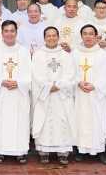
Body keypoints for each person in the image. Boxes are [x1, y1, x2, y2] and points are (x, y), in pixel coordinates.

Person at [31, 26, 77, 166]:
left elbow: (71, 74)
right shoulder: (38, 55)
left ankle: (63, 153)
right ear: (44, 38)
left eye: (54, 35)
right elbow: (35, 73)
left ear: (58, 37)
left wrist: (59, 85)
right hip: (45, 95)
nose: (51, 38)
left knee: (62, 120)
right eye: (48, 36)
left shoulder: (65, 55)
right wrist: (47, 86)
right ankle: (43, 152)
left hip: (61, 95)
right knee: (44, 121)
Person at [0, 20, 31, 164]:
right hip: (1, 92)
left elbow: (29, 72)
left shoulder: (24, 52)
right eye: (6, 31)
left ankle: (20, 151)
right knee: (1, 120)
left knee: (19, 121)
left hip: (19, 92)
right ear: (1, 33)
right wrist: (1, 81)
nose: (9, 34)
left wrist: (18, 82)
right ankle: (0, 151)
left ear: (16, 32)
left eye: (12, 31)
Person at [72, 24, 106, 165]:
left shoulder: (102, 54)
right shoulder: (75, 53)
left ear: (96, 36)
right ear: (81, 36)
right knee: (80, 120)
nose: (88, 36)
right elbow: (69, 73)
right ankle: (81, 152)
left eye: (91, 34)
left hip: (96, 93)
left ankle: (100, 151)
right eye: (85, 33)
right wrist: (78, 82)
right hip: (79, 92)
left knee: (98, 120)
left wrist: (95, 85)